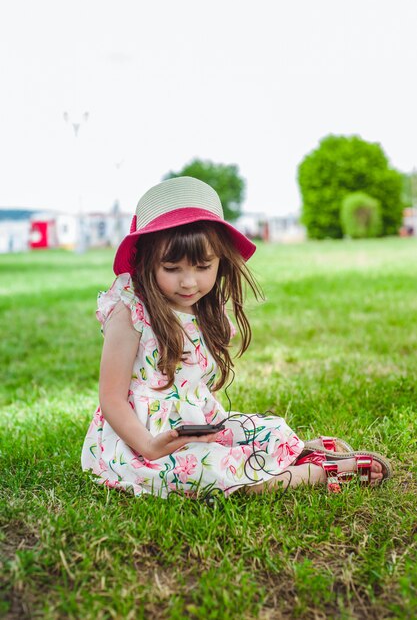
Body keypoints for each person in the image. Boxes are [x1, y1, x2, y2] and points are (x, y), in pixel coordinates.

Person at [81, 177, 391, 499]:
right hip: (141, 442)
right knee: (208, 472)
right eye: (172, 268)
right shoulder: (130, 312)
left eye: (203, 266)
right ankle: (313, 471)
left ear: (221, 261)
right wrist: (148, 445)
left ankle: (299, 450)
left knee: (267, 428)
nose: (189, 282)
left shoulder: (200, 310)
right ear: (146, 261)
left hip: (198, 427)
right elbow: (112, 398)